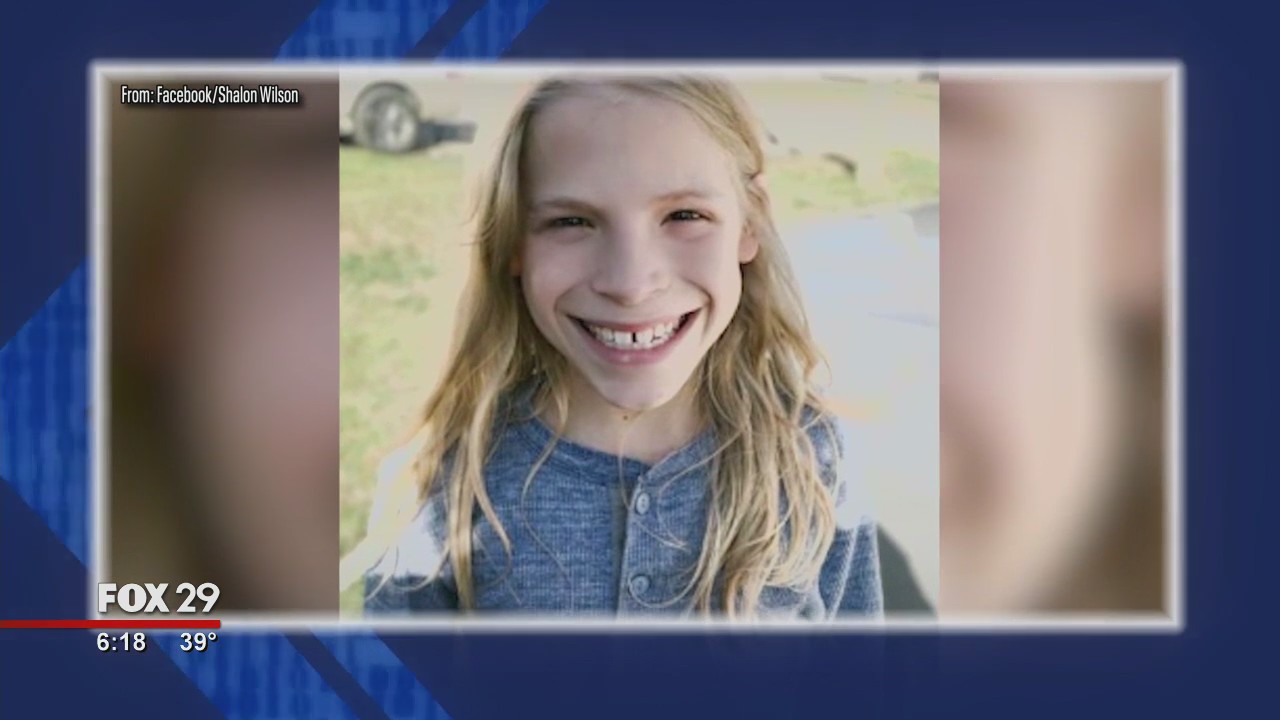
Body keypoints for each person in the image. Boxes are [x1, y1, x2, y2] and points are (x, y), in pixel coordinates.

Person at [353, 75, 884, 620]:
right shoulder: (439, 485)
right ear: (512, 242)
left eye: (684, 216)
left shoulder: (816, 460)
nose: (630, 284)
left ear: (749, 222)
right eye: (572, 222)